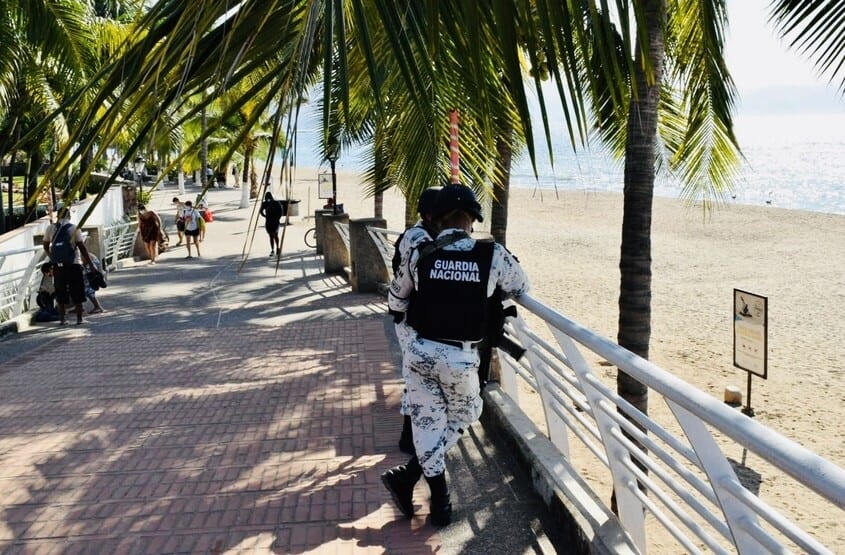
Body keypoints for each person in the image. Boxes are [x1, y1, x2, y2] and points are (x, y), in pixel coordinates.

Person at [383, 183, 529, 527]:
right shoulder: (490, 255)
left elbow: (396, 300)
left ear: (439, 218)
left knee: (426, 425)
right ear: (472, 221)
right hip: (460, 357)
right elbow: (522, 286)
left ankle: (437, 500)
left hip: (419, 352)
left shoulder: (421, 252)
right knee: (468, 412)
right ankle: (419, 484)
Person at [389, 187, 440, 455]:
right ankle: (409, 437)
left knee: (415, 378)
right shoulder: (420, 239)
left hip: (409, 315)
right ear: (429, 214)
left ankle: (414, 436)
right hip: (411, 319)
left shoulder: (417, 234)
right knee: (414, 379)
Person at [42, 208, 100, 325]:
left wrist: (52, 257)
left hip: (58, 265)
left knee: (60, 291)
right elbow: (82, 247)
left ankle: (63, 319)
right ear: (69, 216)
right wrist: (91, 264)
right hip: (74, 264)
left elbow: (45, 245)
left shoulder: (51, 228)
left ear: (58, 216)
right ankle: (79, 319)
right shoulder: (74, 228)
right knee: (77, 290)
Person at [259, 191, 283, 256]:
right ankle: (273, 250)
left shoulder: (276, 203)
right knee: (271, 236)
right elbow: (260, 211)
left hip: (275, 222)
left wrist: (277, 218)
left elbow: (281, 211)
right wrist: (265, 216)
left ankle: (277, 248)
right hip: (269, 222)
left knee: (275, 235)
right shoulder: (265, 203)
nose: (268, 199)